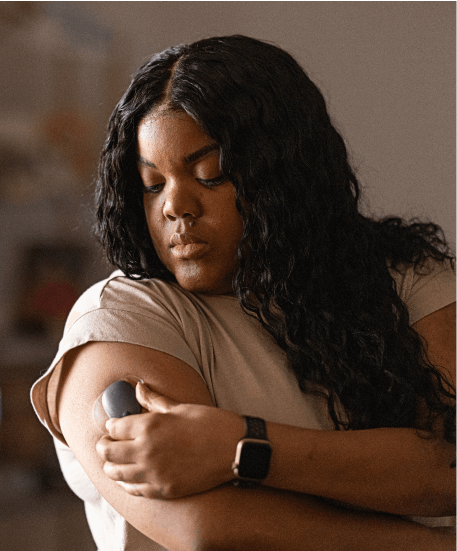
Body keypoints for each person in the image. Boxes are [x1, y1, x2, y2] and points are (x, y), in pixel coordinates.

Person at [30, 35, 457, 551]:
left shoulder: (405, 278)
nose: (174, 207)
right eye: (152, 184)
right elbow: (210, 528)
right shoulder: (120, 320)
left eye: (208, 175)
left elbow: (446, 467)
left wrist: (241, 444)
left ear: (283, 175)